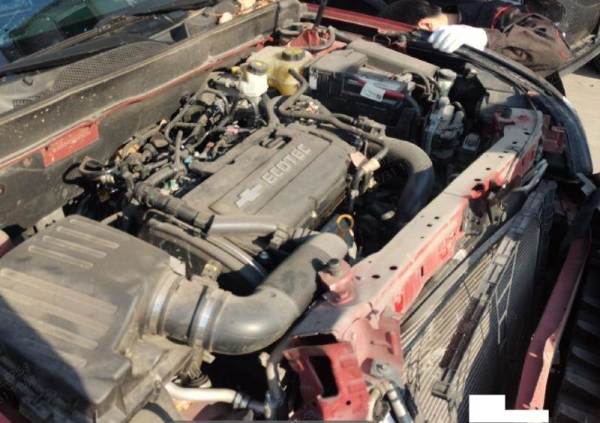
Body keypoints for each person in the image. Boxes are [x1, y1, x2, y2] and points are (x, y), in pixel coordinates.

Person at [380, 0, 572, 77]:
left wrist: (484, 38)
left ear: (426, 26)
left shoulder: (500, 15)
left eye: (399, 43)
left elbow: (558, 52)